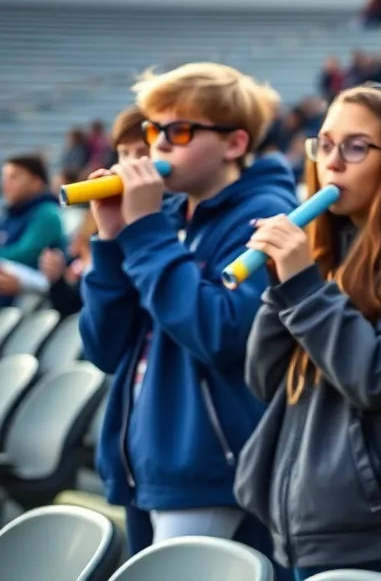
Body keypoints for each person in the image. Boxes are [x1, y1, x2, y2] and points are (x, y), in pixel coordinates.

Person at [236, 85, 381, 580]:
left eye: (356, 147)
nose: (332, 163)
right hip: (309, 514)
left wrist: (303, 287)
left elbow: (378, 376)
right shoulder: (332, 242)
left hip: (378, 519)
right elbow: (263, 378)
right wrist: (280, 287)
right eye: (323, 144)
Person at [79, 62, 298, 557]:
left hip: (209, 465)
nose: (158, 144)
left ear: (235, 144)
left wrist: (146, 233)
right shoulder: (168, 216)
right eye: (154, 129)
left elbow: (219, 331)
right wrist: (113, 240)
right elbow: (105, 347)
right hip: (148, 459)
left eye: (178, 131)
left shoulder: (265, 215)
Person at [42, 106, 150, 317]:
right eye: (124, 153)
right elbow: (80, 307)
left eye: (143, 153)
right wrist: (57, 281)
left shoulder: (167, 220)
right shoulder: (100, 216)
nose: (130, 164)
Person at [0, 154, 64, 306]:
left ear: (36, 182)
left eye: (14, 177)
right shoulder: (11, 215)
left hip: (32, 303)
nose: (6, 183)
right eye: (5, 177)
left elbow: (25, 254)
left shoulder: (47, 213)